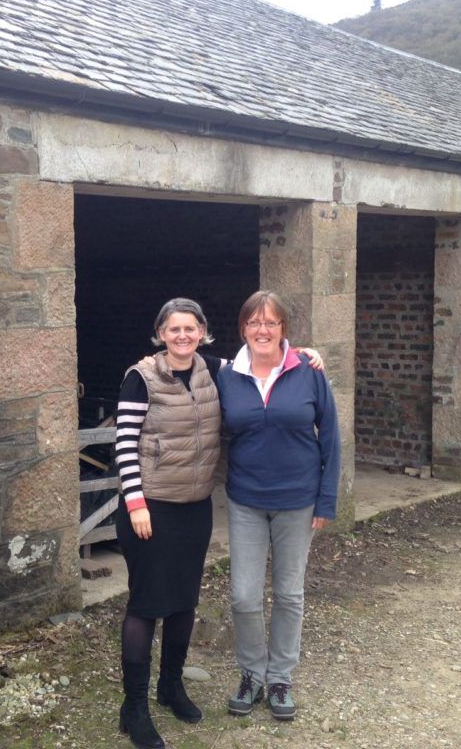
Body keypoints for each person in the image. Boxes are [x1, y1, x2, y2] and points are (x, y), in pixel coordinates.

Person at [216, 290, 340, 722]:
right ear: (243, 328)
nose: (262, 330)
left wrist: (327, 498)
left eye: (270, 322)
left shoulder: (307, 370)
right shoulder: (227, 375)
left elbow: (331, 436)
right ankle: (251, 674)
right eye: (254, 322)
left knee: (289, 593)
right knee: (244, 595)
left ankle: (281, 677)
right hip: (246, 499)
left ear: (284, 328)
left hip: (297, 500)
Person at [113, 298, 221, 749]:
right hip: (151, 508)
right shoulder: (141, 378)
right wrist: (136, 503)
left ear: (202, 332)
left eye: (190, 329)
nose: (182, 336)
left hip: (195, 506)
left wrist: (303, 354)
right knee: (146, 605)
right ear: (160, 333)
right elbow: (124, 444)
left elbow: (264, 358)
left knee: (183, 602)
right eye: (173, 329)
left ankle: (170, 685)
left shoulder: (214, 369)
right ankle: (133, 707)